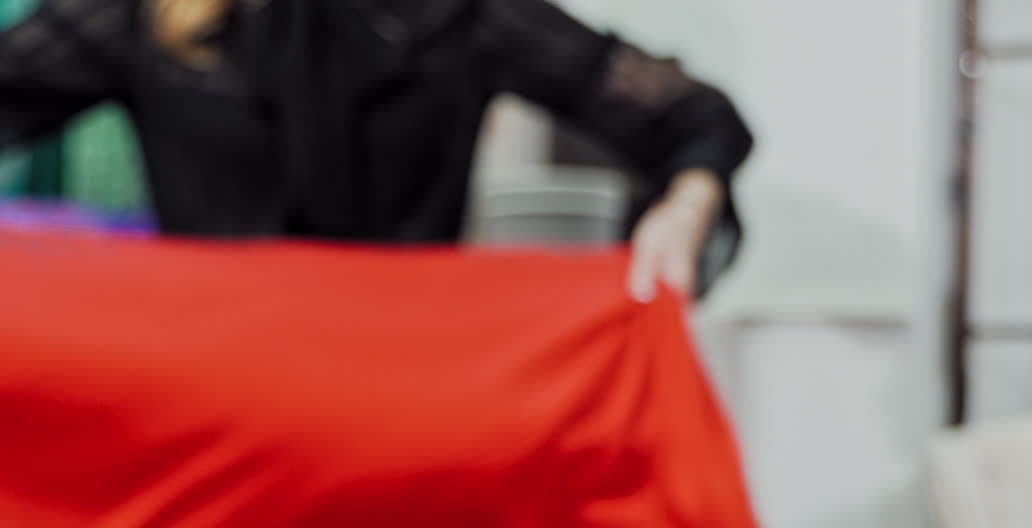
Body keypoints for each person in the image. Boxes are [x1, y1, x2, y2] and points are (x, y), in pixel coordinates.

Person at [0, 0, 753, 297]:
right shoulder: (143, 14)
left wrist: (687, 206)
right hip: (204, 399)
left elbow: (694, 115)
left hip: (397, 402)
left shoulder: (462, 15)